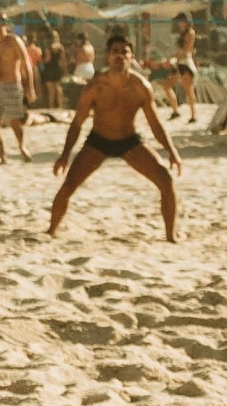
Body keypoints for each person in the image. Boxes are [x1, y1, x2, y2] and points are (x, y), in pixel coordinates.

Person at [49, 33, 182, 241]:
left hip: (129, 142)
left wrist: (172, 152)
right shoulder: (95, 87)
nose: (119, 56)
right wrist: (65, 155)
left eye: (124, 52)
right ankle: (51, 231)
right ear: (108, 57)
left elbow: (155, 124)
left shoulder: (141, 87)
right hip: (98, 141)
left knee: (165, 179)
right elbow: (77, 123)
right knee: (69, 184)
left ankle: (171, 236)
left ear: (131, 57)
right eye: (115, 52)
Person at [0, 18, 36, 163]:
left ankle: (21, 146)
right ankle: (2, 156)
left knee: (14, 121)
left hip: (12, 83)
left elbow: (26, 63)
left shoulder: (13, 41)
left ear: (4, 24)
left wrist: (30, 88)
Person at [170, 13, 199, 124]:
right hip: (180, 62)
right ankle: (185, 113)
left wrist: (175, 57)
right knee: (172, 86)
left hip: (186, 63)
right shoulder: (183, 34)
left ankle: (193, 115)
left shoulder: (190, 33)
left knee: (189, 90)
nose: (179, 24)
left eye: (181, 21)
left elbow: (187, 51)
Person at [41, 32, 65, 111]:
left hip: (50, 69)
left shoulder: (49, 48)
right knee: (58, 88)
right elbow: (63, 59)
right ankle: (60, 106)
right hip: (57, 68)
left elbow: (48, 59)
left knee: (51, 90)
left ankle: (51, 107)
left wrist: (41, 61)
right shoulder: (60, 47)